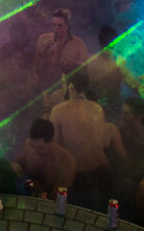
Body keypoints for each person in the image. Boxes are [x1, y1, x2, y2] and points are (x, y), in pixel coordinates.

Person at [50, 68, 124, 206]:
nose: (62, 87)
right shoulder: (97, 108)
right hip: (103, 172)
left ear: (71, 87)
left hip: (79, 175)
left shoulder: (58, 110)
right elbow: (103, 142)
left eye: (63, 84)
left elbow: (55, 146)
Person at [12, 118, 75, 196]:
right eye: (32, 145)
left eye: (40, 148)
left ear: (52, 141)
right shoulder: (28, 145)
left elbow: (58, 196)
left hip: (48, 200)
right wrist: (16, 167)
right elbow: (16, 164)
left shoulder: (66, 161)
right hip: (28, 192)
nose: (35, 151)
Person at [34, 8, 88, 95]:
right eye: (54, 25)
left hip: (69, 90)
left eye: (60, 26)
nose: (56, 29)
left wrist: (74, 64)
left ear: (68, 26)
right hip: (45, 89)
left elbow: (85, 68)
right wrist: (44, 49)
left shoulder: (78, 43)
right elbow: (35, 67)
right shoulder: (43, 39)